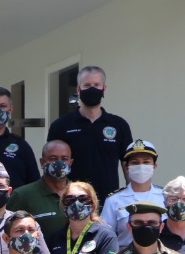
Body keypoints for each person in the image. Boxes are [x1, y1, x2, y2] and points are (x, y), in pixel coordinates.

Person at [47, 65, 133, 205]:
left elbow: (127, 165)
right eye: (87, 85)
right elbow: (51, 164)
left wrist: (132, 197)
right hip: (72, 203)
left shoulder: (119, 125)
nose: (92, 89)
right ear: (78, 89)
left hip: (109, 203)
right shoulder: (60, 125)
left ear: (104, 89)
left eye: (96, 85)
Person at [8, 140, 73, 246]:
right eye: (53, 158)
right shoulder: (22, 195)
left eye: (64, 159)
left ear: (71, 162)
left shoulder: (81, 194)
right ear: (42, 162)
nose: (59, 163)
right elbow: (8, 231)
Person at [102, 139, 166, 247]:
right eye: (135, 163)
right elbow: (105, 238)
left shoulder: (165, 196)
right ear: (126, 168)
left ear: (154, 166)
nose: (141, 166)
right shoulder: (113, 200)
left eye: (146, 162)